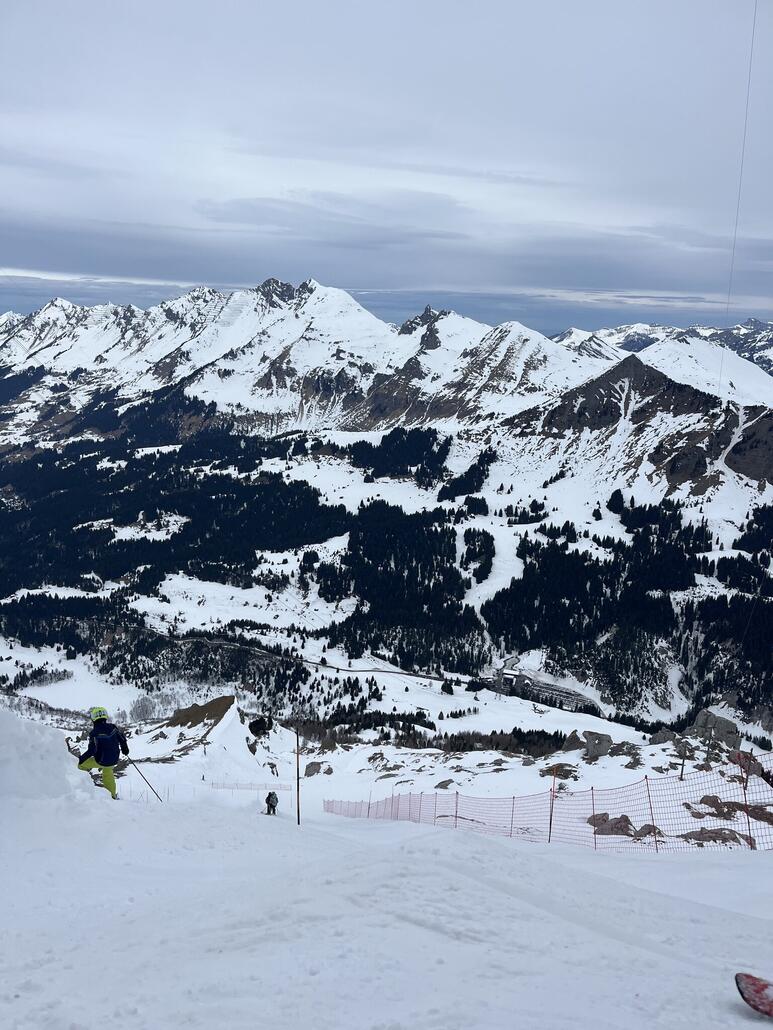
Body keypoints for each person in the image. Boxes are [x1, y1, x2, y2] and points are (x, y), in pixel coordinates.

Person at [77, 706, 129, 800]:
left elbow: (91, 751)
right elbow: (122, 739)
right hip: (114, 759)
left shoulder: (94, 733)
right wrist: (125, 749)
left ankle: (84, 785)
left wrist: (80, 759)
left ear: (93, 719)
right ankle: (112, 796)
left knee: (80, 765)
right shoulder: (113, 727)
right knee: (108, 772)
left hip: (101, 760)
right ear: (105, 716)